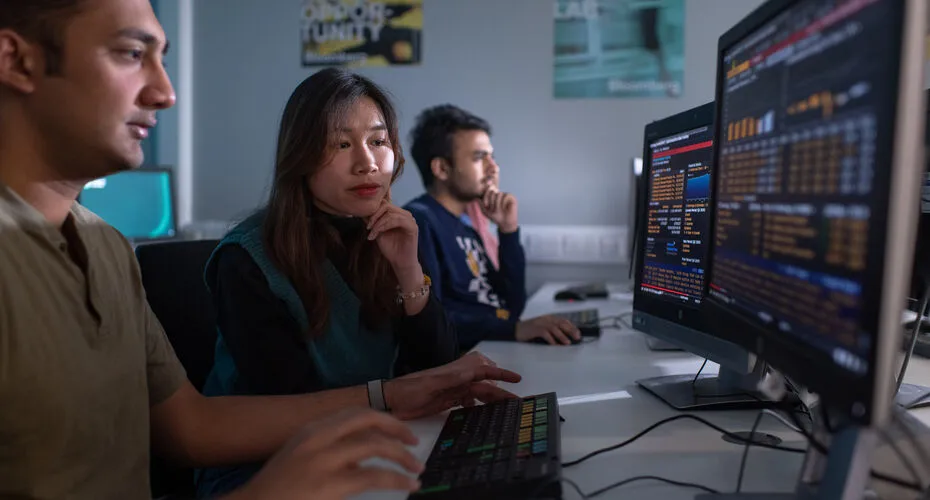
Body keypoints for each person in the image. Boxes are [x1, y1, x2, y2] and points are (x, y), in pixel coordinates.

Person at [0, 1, 521, 499]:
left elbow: (189, 428)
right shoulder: (249, 257)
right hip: (276, 461)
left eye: (378, 141)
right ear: (16, 61)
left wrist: (405, 299)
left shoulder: (106, 246)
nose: (166, 93)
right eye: (131, 54)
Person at [195, 68, 467, 497]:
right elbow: (290, 404)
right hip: (264, 468)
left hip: (372, 438)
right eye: (341, 144)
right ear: (300, 156)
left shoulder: (393, 231)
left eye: (378, 141)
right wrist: (392, 397)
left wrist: (408, 270)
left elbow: (438, 369)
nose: (367, 162)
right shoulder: (246, 259)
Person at [404, 104, 581, 351]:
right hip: (461, 359)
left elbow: (511, 306)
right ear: (442, 168)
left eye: (492, 157)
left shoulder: (464, 225)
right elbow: (430, 319)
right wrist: (513, 330)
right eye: (479, 157)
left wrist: (508, 230)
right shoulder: (419, 222)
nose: (494, 168)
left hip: (489, 347)